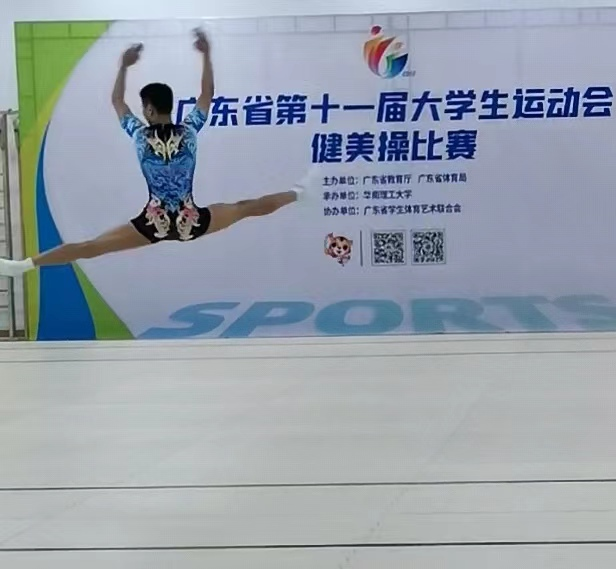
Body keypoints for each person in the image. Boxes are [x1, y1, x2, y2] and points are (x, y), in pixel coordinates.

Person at [0, 29, 313, 278]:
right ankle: (298, 193)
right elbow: (207, 94)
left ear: (148, 109)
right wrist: (206, 54)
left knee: (90, 247)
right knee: (247, 207)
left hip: (153, 222)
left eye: (143, 107)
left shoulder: (139, 134)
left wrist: (123, 66)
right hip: (193, 220)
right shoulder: (189, 131)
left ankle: (23, 266)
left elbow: (117, 102)